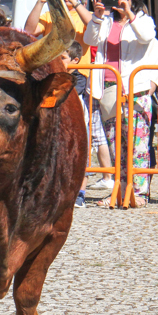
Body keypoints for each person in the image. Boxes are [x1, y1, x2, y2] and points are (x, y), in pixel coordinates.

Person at [84, 0, 158, 207]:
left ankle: (140, 192)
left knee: (137, 144)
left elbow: (146, 37)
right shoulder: (106, 21)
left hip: (134, 90)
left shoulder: (143, 20)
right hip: (108, 89)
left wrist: (130, 13)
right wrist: (97, 17)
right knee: (114, 144)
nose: (119, 1)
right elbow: (89, 40)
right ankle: (118, 190)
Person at [80, 0, 115, 192]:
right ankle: (106, 174)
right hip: (96, 81)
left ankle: (108, 174)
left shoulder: (111, 22)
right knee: (98, 131)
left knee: (101, 131)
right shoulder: (98, 20)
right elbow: (89, 38)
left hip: (100, 78)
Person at [25, 0, 92, 66]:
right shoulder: (49, 15)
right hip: (52, 68)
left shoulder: (87, 15)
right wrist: (40, 2)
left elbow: (92, 25)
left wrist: (74, 1)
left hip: (78, 70)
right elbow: (29, 31)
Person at [60, 41, 88, 207]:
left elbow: (70, 95)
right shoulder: (56, 76)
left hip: (78, 123)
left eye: (63, 58)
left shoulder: (79, 78)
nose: (59, 61)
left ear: (75, 60)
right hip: (61, 124)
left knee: (80, 157)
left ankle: (80, 194)